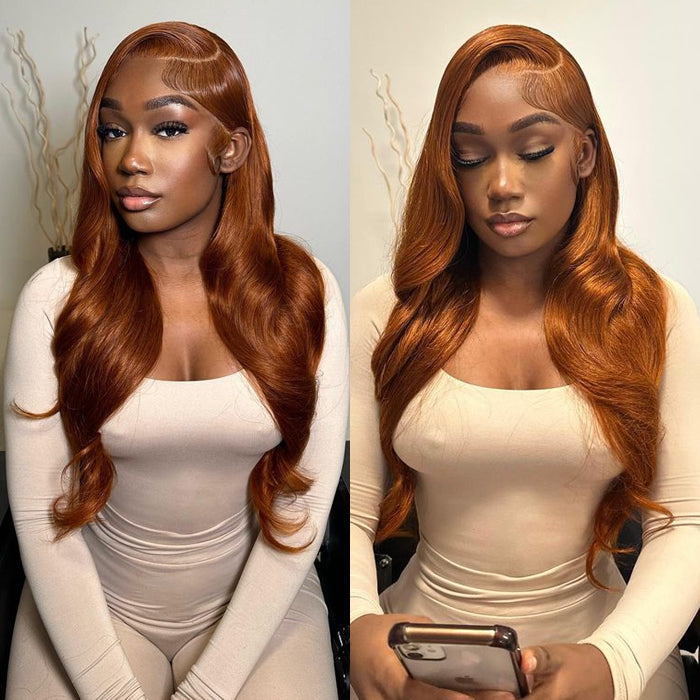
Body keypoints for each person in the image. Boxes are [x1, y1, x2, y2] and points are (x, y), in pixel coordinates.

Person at [349, 24, 700, 700]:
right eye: (470, 157)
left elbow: (685, 522)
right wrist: (366, 628)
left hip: (610, 651)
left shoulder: (658, 312)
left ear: (585, 154)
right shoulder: (387, 311)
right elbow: (353, 518)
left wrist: (615, 664)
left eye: (534, 150)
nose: (501, 184)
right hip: (420, 661)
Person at [4, 21, 348, 700]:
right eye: (112, 131)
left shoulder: (305, 291)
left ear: (231, 148)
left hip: (263, 614)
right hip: (90, 612)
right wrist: (110, 690)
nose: (130, 158)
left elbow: (304, 502)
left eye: (166, 129)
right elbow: (41, 517)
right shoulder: (55, 299)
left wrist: (209, 688)